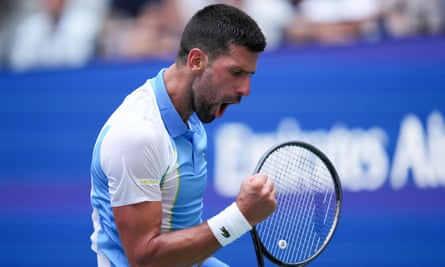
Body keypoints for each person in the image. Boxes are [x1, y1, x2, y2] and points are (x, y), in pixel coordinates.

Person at [90, 4, 277, 267]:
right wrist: (240, 216)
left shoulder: (193, 116)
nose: (245, 89)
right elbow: (144, 259)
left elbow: (182, 241)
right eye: (236, 72)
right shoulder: (137, 135)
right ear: (196, 61)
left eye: (249, 75)